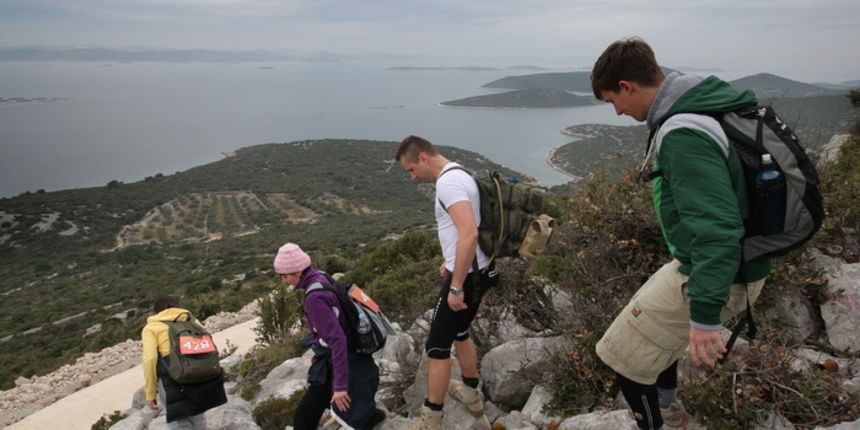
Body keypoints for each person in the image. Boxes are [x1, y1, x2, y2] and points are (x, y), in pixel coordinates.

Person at [590, 38, 772, 430]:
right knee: (654, 333)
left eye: (613, 101)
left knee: (623, 358)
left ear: (627, 86)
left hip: (719, 273)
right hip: (723, 264)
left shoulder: (682, 132)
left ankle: (660, 419)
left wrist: (705, 317)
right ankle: (672, 411)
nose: (618, 112)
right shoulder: (700, 103)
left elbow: (718, 228)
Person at [396, 135, 499, 430]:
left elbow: (469, 234)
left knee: (437, 348)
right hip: (481, 270)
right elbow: (469, 229)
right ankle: (471, 394)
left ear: (424, 157)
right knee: (461, 331)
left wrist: (455, 285)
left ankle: (431, 419)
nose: (413, 177)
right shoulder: (460, 172)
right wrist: (452, 260)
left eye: (411, 169)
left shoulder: (447, 183)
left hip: (466, 279)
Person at [273, 242, 386, 430]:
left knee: (304, 417)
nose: (284, 281)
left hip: (340, 359)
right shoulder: (321, 276)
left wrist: (340, 387)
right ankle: (371, 416)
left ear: (298, 271)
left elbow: (337, 340)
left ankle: (369, 418)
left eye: (285, 276)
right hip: (347, 356)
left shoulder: (314, 298)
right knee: (310, 412)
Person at [141, 296, 227, 429]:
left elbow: (150, 359)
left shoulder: (152, 327)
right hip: (198, 372)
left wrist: (150, 393)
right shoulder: (191, 320)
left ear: (156, 311)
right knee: (199, 416)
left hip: (173, 376)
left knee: (179, 421)